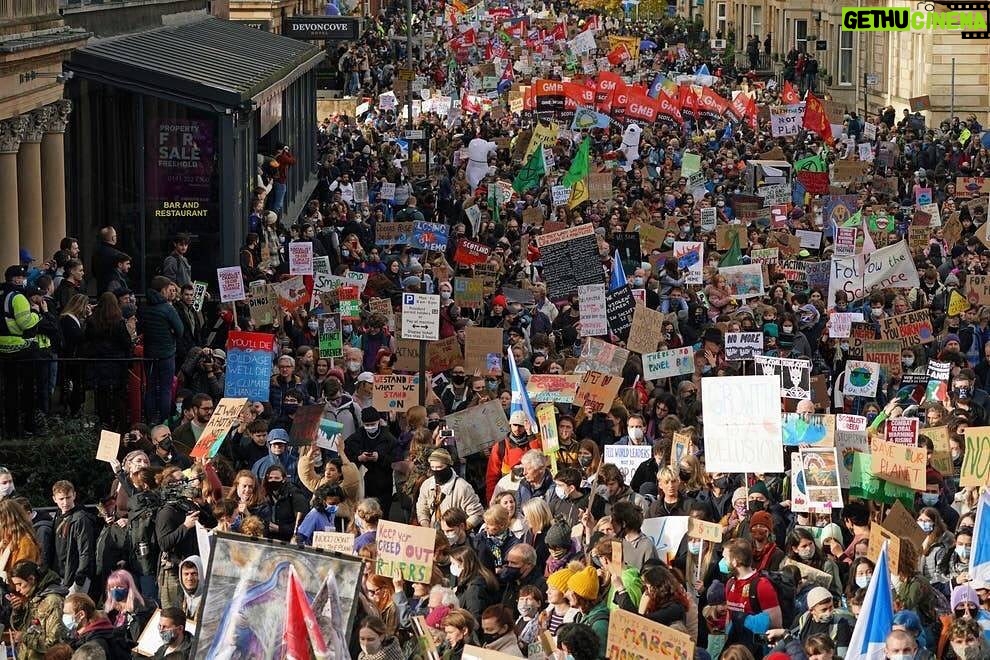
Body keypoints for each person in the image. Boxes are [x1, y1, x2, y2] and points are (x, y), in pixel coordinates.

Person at [0, 264, 41, 436]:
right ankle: (26, 427)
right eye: (23, 277)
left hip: (2, 346)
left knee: (8, 389)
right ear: (16, 279)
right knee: (26, 390)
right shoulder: (18, 297)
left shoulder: (2, 294)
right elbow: (25, 323)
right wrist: (36, 313)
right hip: (18, 347)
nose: (24, 280)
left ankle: (9, 427)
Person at [141, 276, 184, 424]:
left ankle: (150, 420)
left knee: (150, 388)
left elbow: (142, 328)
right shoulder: (168, 308)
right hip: (166, 353)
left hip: (150, 354)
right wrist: (170, 332)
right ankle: (165, 421)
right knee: (166, 388)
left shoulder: (145, 307)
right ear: (163, 290)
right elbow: (180, 330)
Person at [8, 559, 68, 660]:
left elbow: (53, 643)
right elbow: (21, 628)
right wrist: (18, 611)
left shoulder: (52, 601)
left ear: (31, 579)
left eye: (19, 584)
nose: (17, 589)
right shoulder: (34, 595)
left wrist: (24, 637)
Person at [416, 448, 484, 530]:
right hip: (434, 534)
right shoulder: (427, 484)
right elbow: (422, 507)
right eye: (432, 467)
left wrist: (460, 530)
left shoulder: (463, 487)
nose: (436, 471)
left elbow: (477, 514)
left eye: (439, 467)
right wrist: (426, 525)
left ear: (448, 466)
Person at [51, 480, 95, 594]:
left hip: (76, 577)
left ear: (74, 495)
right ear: (54, 499)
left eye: (68, 497)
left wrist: (79, 579)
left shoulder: (81, 518)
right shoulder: (58, 515)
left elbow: (85, 551)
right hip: (62, 574)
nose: (65, 502)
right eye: (61, 499)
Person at [63, 593, 132, 659]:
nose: (63, 616)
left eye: (67, 613)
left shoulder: (95, 644)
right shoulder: (85, 634)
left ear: (81, 615)